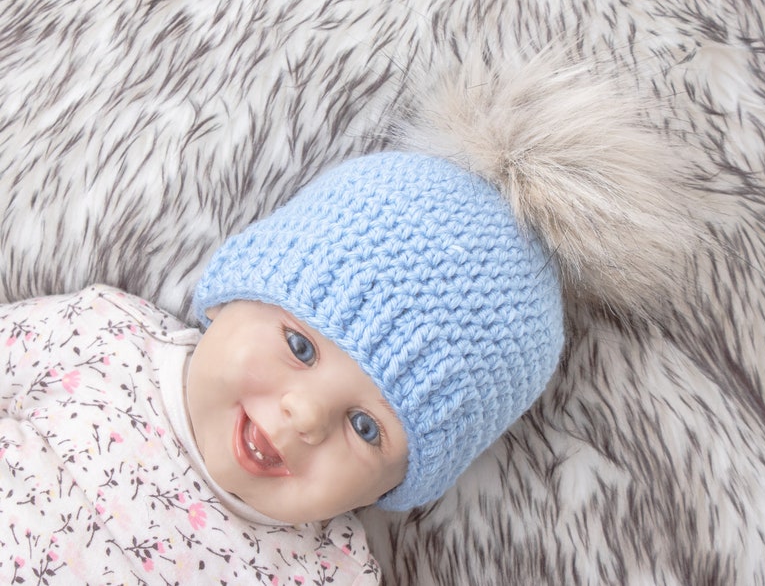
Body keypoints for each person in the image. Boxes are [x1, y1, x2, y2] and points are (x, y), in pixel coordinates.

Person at [0, 151, 564, 584]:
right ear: (230, 297)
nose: (306, 415)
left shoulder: (329, 569)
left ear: (394, 488)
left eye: (365, 428)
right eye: (300, 347)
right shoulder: (102, 335)